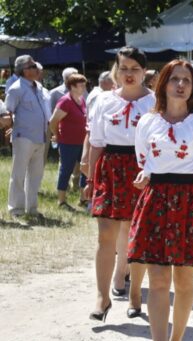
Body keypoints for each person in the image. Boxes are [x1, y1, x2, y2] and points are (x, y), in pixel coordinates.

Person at [129, 59, 193, 341]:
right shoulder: (147, 122)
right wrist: (147, 178)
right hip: (155, 201)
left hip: (190, 201)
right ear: (163, 84)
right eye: (174, 79)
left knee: (183, 281)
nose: (180, 85)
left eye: (186, 80)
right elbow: (143, 160)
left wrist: (191, 198)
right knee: (156, 281)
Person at [86, 46, 155, 322]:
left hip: (143, 170)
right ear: (116, 70)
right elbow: (96, 143)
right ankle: (102, 297)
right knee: (106, 235)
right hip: (111, 169)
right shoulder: (103, 100)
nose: (128, 74)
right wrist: (90, 179)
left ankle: (134, 290)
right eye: (123, 68)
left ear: (144, 72)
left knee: (138, 235)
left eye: (134, 69)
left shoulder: (154, 103)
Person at [5, 55, 51, 222]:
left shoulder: (38, 86)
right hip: (23, 136)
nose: (36, 69)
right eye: (32, 66)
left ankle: (31, 209)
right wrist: (11, 128)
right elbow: (8, 111)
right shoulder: (16, 88)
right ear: (24, 70)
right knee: (19, 174)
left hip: (40, 135)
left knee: (36, 175)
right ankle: (16, 209)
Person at [48, 73, 88, 208]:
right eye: (81, 85)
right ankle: (61, 200)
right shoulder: (65, 101)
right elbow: (53, 121)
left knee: (84, 169)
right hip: (68, 142)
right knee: (66, 170)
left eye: (84, 84)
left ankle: (83, 198)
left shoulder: (81, 99)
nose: (84, 87)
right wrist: (57, 136)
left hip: (82, 141)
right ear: (72, 86)